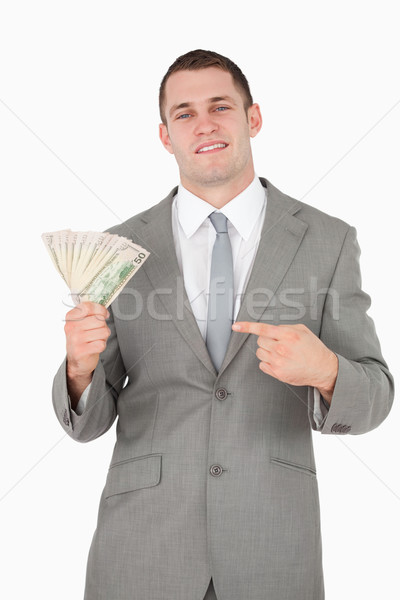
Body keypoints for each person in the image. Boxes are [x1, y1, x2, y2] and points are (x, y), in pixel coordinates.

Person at [52, 49, 394, 600]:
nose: (203, 124)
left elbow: (376, 394)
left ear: (252, 118)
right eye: (183, 113)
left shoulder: (329, 241)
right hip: (143, 547)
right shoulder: (117, 248)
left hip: (273, 545)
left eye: (220, 106)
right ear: (165, 136)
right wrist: (78, 369)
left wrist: (328, 371)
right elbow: (87, 425)